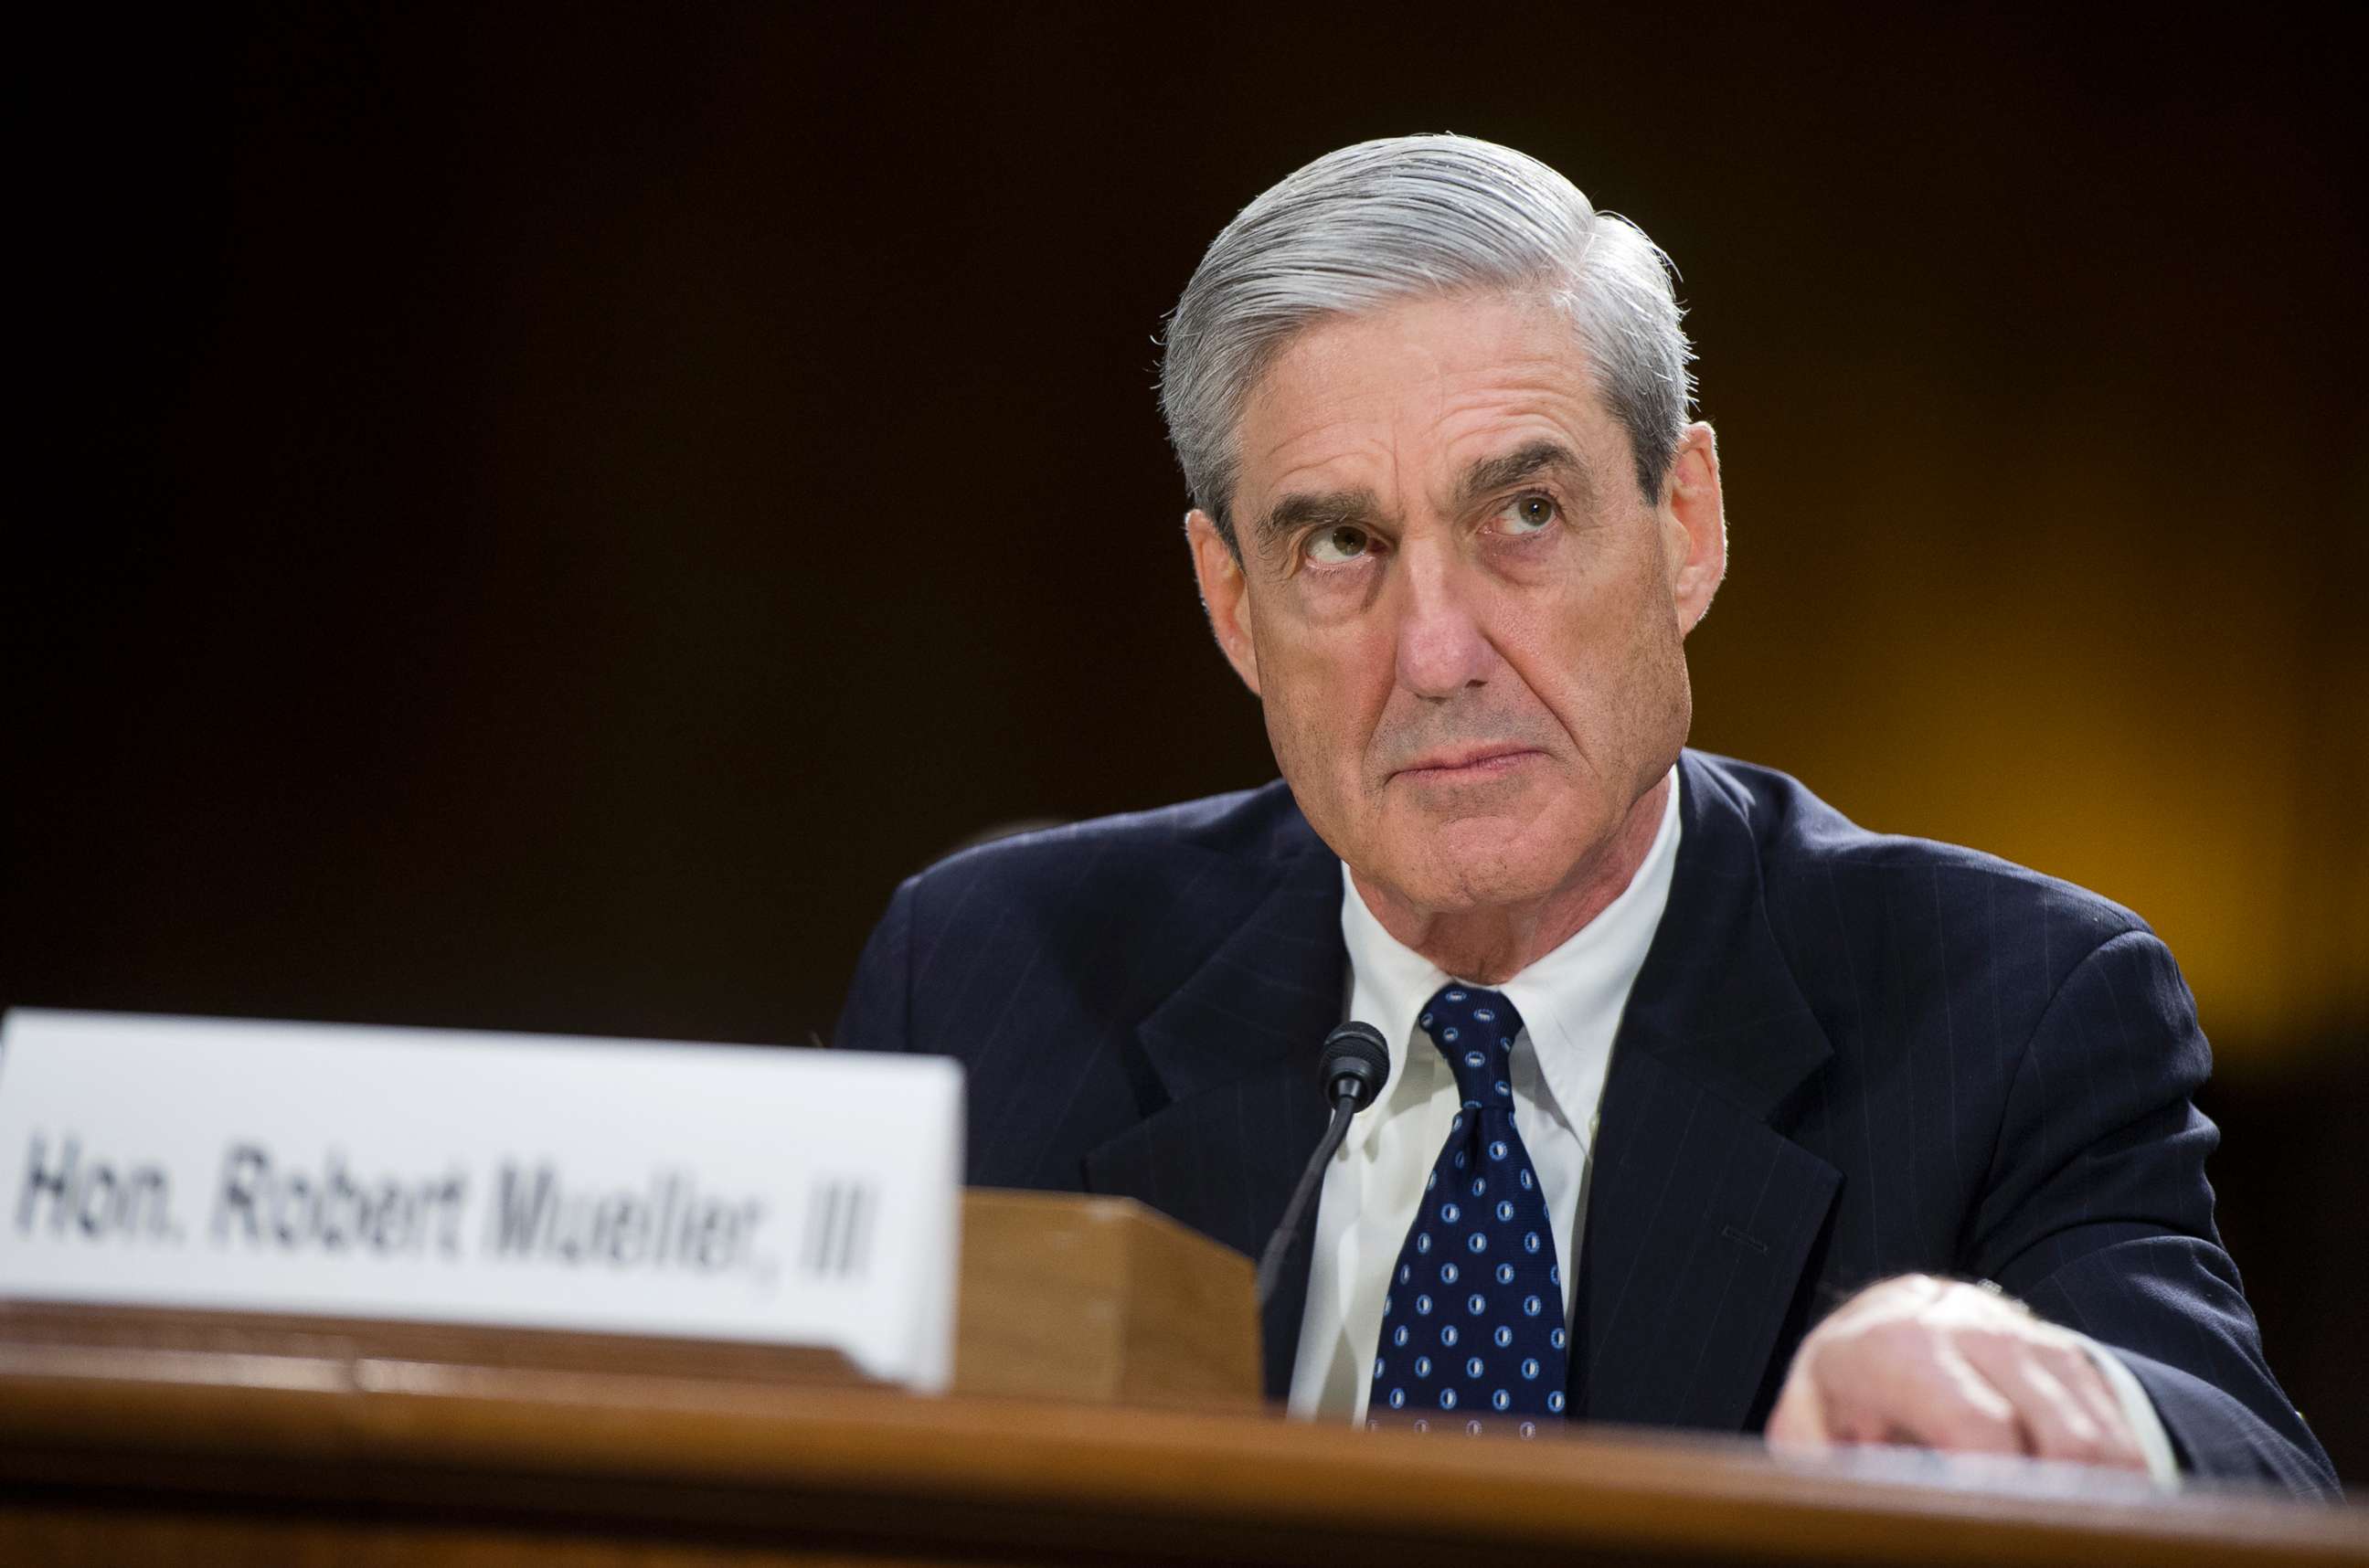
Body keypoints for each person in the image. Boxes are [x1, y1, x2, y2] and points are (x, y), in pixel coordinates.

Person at [835, 135, 2333, 1494]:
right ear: (1233, 603)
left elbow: (2247, 1470)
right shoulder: (987, 976)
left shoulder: (2012, 1008)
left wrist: (2041, 1390)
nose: (1437, 654)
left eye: (1525, 517)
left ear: (1686, 527)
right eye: (1342, 545)